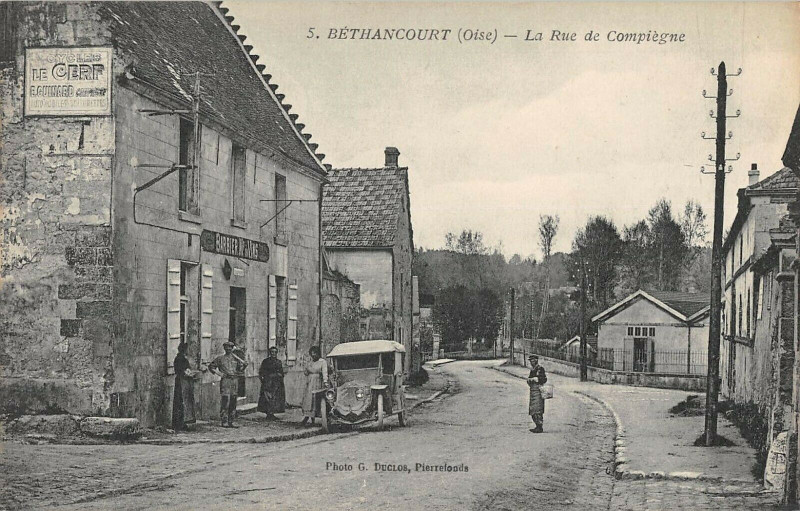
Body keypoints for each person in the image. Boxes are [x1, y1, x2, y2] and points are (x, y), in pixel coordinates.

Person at [208, 342, 248, 428]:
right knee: (225, 400)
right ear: (224, 348)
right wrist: (220, 374)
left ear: (232, 348)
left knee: (233, 400)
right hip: (226, 380)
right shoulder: (220, 359)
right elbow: (211, 367)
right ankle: (224, 420)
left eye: (230, 347)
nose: (228, 349)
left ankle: (231, 421)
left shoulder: (236, 359)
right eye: (227, 347)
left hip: (234, 380)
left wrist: (244, 366)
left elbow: (240, 370)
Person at [300, 345, 328, 426]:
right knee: (308, 400)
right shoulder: (310, 362)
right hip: (309, 383)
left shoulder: (322, 362)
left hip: (318, 383)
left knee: (315, 400)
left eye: (315, 353)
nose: (313, 355)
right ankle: (308, 417)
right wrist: (305, 365)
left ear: (318, 354)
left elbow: (324, 372)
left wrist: (325, 381)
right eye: (312, 354)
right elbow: (306, 373)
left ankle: (314, 418)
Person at [172, 343, 196, 432]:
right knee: (180, 401)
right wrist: (187, 373)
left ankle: (181, 422)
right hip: (181, 382)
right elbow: (180, 371)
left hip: (184, 381)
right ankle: (179, 423)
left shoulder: (182, 358)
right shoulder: (180, 359)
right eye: (186, 349)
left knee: (182, 401)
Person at [258, 346, 286, 420]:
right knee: (267, 397)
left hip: (276, 383)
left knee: (275, 398)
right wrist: (263, 380)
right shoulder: (266, 361)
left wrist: (279, 376)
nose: (273, 354)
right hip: (268, 382)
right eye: (272, 352)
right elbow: (261, 372)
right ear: (270, 353)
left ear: (277, 353)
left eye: (275, 352)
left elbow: (281, 372)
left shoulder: (278, 362)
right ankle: (268, 413)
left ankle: (272, 413)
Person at [527, 354, 548, 433]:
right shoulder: (532, 370)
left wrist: (537, 379)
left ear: (536, 360)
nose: (531, 362)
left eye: (532, 360)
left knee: (538, 409)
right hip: (533, 391)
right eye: (530, 361)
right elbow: (529, 379)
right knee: (533, 409)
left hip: (538, 391)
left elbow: (544, 379)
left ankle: (539, 427)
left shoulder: (540, 369)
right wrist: (530, 380)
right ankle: (537, 425)